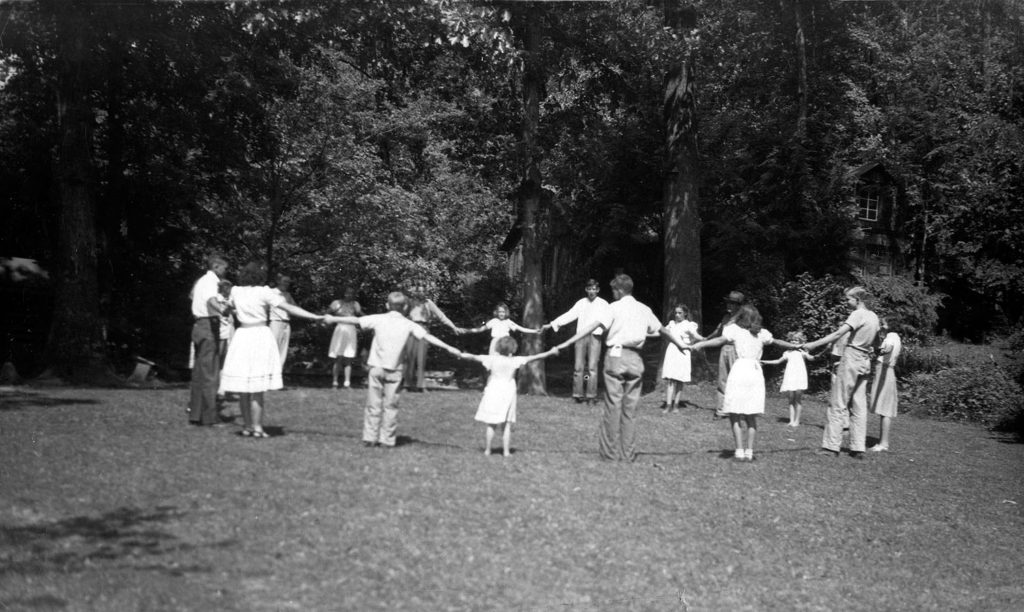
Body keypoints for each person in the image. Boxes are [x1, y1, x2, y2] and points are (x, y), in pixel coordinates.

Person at [552, 274, 694, 462]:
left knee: (613, 406)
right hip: (635, 359)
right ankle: (627, 455)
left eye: (613, 290)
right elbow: (662, 330)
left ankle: (609, 455)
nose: (613, 293)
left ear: (619, 290)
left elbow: (592, 326)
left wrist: (566, 343)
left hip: (615, 356)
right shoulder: (644, 309)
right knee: (630, 409)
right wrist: (680, 344)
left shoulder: (613, 307)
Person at [325, 291, 462, 448]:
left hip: (376, 369)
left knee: (373, 404)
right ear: (405, 307)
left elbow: (355, 320)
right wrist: (448, 347)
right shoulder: (409, 324)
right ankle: (387, 440)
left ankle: (370, 438)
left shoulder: (378, 318)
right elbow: (427, 337)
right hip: (395, 371)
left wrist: (333, 318)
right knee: (391, 406)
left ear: (387, 305)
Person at [220, 262, 323, 438]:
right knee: (257, 387)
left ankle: (248, 427)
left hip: (242, 336)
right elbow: (289, 307)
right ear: (259, 277)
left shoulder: (236, 291)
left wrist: (233, 309)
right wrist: (314, 316)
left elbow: (225, 310)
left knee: (243, 386)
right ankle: (257, 428)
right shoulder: (264, 292)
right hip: (259, 335)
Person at [691, 305, 802, 462]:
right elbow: (777, 342)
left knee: (734, 413)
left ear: (741, 316)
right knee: (751, 415)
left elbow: (720, 340)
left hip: (740, 370)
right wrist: (794, 346)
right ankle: (749, 452)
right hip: (755, 373)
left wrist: (700, 344)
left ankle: (739, 451)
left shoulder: (735, 330)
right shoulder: (762, 333)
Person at [804, 286, 880, 459]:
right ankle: (858, 448)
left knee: (838, 402)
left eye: (848, 299)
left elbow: (838, 333)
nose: (846, 302)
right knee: (859, 405)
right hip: (865, 361)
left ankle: (831, 447)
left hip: (851, 357)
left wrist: (814, 344)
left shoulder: (857, 314)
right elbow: (877, 343)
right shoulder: (874, 316)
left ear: (857, 300)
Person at [453, 336, 556, 457]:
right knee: (506, 424)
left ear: (498, 347)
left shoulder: (492, 359)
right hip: (508, 392)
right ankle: (506, 452)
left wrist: (460, 354)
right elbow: (535, 357)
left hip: (493, 391)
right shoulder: (515, 360)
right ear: (512, 349)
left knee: (491, 423)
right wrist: (551, 352)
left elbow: (473, 357)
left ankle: (487, 450)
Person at [543, 279, 611, 404]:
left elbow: (607, 321)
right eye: (589, 289)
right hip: (580, 337)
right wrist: (553, 324)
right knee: (578, 367)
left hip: (595, 337)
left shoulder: (603, 304)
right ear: (586, 290)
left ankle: (591, 396)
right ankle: (577, 394)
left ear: (598, 290)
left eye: (594, 289)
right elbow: (570, 315)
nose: (592, 291)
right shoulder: (581, 303)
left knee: (592, 368)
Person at [188, 254, 228, 426]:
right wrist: (223, 310)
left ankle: (196, 415)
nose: (226, 271)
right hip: (208, 326)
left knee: (199, 373)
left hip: (198, 326)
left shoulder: (201, 281)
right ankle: (210, 418)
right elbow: (211, 300)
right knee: (210, 373)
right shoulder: (212, 281)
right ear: (216, 266)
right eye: (225, 268)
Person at [403, 283, 460, 391]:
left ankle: (421, 386)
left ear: (426, 292)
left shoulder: (428, 303)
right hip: (411, 329)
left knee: (421, 359)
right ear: (415, 292)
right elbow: (401, 315)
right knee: (409, 358)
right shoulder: (410, 302)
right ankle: (407, 385)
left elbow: (441, 316)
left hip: (424, 329)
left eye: (423, 291)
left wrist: (453, 327)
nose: (421, 293)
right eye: (419, 291)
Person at [760, 331, 818, 427]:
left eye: (796, 340)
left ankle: (797, 421)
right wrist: (765, 362)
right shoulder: (787, 353)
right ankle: (791, 421)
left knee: (798, 399)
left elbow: (811, 358)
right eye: (792, 340)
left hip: (799, 376)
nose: (794, 342)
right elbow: (778, 361)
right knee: (791, 399)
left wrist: (814, 356)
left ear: (800, 341)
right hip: (790, 376)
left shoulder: (803, 352)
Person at [706, 291, 746, 418]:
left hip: (738, 349)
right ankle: (721, 409)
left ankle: (738, 410)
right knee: (723, 379)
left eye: (733, 303)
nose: (729, 305)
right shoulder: (726, 317)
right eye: (728, 302)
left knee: (737, 380)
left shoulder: (743, 319)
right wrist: (706, 339)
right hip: (725, 348)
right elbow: (718, 331)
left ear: (739, 305)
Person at [661, 304, 704, 413]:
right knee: (671, 379)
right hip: (672, 351)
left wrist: (705, 339)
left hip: (683, 352)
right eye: (676, 312)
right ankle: (668, 405)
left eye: (680, 313)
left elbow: (695, 335)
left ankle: (676, 405)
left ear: (685, 313)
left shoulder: (688, 325)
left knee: (679, 379)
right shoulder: (671, 324)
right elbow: (662, 332)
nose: (677, 315)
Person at [868, 316, 901, 451]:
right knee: (883, 409)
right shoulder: (896, 337)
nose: (882, 326)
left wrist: (879, 350)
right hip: (887, 371)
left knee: (884, 409)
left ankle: (883, 444)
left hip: (885, 373)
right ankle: (882, 442)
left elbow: (887, 348)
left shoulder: (891, 338)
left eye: (884, 324)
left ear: (890, 326)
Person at [461, 302, 540, 355]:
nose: (501, 314)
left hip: (506, 343)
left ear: (506, 312)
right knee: (493, 362)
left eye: (503, 312)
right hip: (495, 343)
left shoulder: (508, 322)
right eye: (500, 312)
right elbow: (481, 329)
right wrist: (467, 331)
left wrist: (535, 331)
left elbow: (521, 329)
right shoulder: (494, 321)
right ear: (497, 312)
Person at [327, 287, 364, 389]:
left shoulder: (355, 304)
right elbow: (327, 313)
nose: (349, 295)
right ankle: (335, 382)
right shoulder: (336, 303)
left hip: (351, 329)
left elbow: (360, 314)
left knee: (349, 358)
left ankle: (347, 383)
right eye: (347, 292)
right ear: (343, 293)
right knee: (338, 358)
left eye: (352, 293)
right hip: (339, 329)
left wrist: (369, 319)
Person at [209, 280, 235, 409]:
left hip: (229, 329)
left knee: (227, 359)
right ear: (222, 288)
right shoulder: (217, 298)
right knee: (219, 357)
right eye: (227, 287)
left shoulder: (229, 298)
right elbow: (222, 312)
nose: (229, 290)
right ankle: (216, 388)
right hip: (221, 329)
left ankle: (223, 388)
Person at [269, 273, 296, 370]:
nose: (287, 284)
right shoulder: (271, 292)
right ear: (278, 281)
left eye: (288, 282)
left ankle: (278, 373)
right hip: (275, 322)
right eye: (285, 281)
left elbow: (294, 308)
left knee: (283, 351)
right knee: (273, 348)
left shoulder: (288, 295)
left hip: (286, 323)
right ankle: (269, 372)